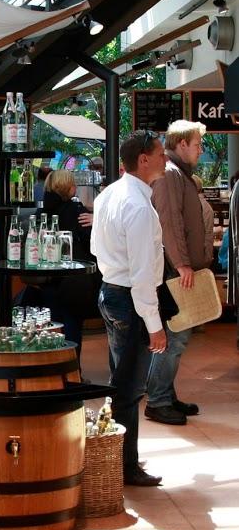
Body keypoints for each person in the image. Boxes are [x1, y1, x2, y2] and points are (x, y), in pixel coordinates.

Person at [90, 130, 169, 487]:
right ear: (144, 159)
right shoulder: (137, 205)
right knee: (129, 387)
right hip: (130, 299)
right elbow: (141, 276)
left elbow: (95, 247)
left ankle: (120, 456)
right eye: (160, 153)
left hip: (110, 291)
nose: (164, 158)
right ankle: (123, 465)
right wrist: (154, 324)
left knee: (121, 379)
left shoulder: (109, 193)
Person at [144, 120, 213, 426]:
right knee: (174, 339)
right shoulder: (172, 176)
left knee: (176, 338)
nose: (200, 149)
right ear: (182, 144)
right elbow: (170, 224)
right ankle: (158, 401)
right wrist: (183, 263)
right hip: (175, 273)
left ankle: (166, 396)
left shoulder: (178, 176)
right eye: (197, 144)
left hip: (178, 271)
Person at [37, 169, 98, 353]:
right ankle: (72, 372)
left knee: (51, 328)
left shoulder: (41, 213)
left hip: (47, 278)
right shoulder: (77, 211)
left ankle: (53, 372)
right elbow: (91, 241)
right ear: (67, 187)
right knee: (72, 327)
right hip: (73, 279)